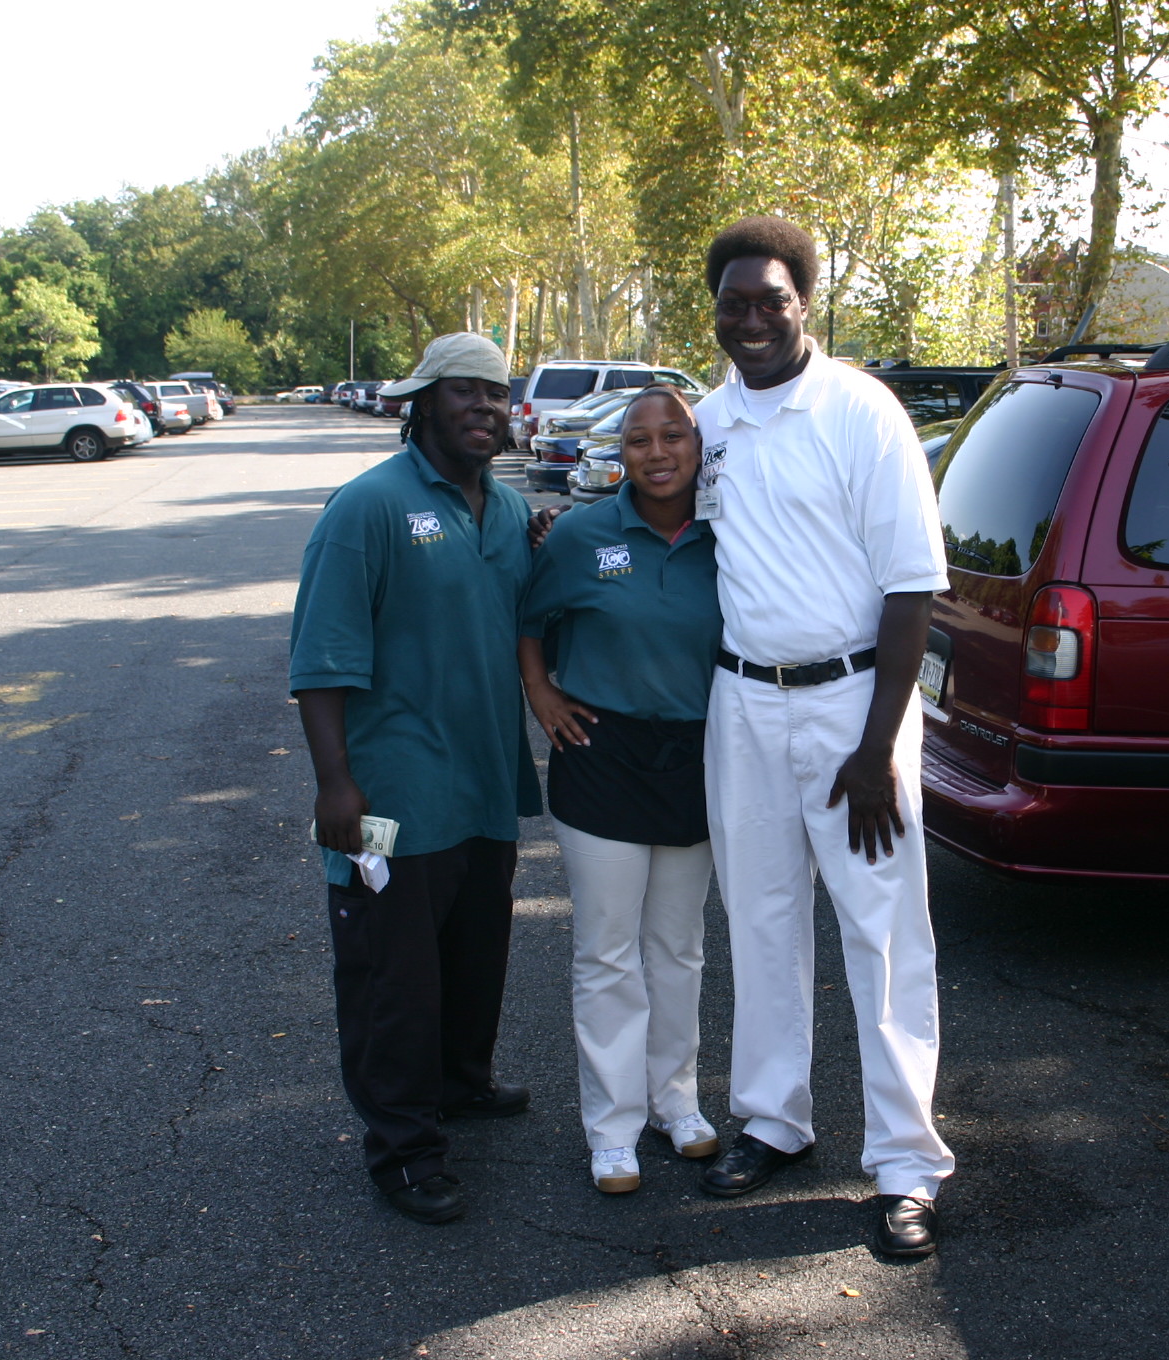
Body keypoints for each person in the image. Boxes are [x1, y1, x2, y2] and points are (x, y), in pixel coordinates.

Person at [694, 216, 955, 1258]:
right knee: (759, 921)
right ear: (715, 311)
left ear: (804, 301)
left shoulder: (860, 410)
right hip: (743, 703)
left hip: (855, 706)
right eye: (735, 303)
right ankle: (773, 1121)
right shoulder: (708, 420)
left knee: (883, 934)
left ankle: (906, 1164)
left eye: (772, 300)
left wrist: (879, 746)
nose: (753, 319)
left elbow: (912, 586)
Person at [288, 332, 540, 1227]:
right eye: (464, 391)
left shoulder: (508, 511)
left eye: (496, 393)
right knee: (393, 979)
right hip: (393, 795)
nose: (485, 408)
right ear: (422, 402)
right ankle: (403, 1151)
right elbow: (320, 659)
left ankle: (460, 1083)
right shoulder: (368, 507)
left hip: (484, 784)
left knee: (474, 957)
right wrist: (335, 785)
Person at [518, 385, 724, 1195]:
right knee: (606, 951)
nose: (658, 452)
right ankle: (612, 1130)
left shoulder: (730, 534)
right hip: (600, 754)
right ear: (621, 454)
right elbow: (530, 622)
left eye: (674, 436)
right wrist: (541, 693)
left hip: (696, 758)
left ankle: (677, 1104)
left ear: (699, 447)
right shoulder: (579, 534)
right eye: (640, 440)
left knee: (677, 946)